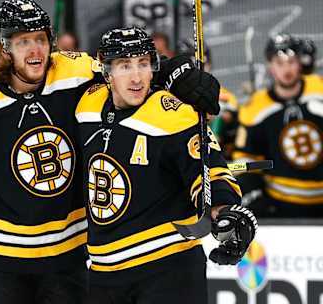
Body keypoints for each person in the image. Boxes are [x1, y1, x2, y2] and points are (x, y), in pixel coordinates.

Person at [0, 0, 220, 304]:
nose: (35, 51)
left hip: (67, 260)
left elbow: (130, 70)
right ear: (4, 49)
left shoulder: (75, 72)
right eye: (23, 42)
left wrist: (178, 73)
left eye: (40, 40)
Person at [75, 27, 257, 304]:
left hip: (167, 266)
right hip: (103, 272)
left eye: (144, 64)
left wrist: (223, 210)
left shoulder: (173, 113)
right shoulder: (86, 104)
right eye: (125, 65)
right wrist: (177, 69)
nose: (136, 77)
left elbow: (209, 170)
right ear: (107, 69)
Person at [233, 33, 323, 217]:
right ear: (270, 66)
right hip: (279, 205)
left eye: (291, 62)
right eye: (279, 63)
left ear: (300, 64)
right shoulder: (255, 107)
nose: (286, 69)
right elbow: (243, 161)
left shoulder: (319, 90)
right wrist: (252, 191)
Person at [177, 39, 239, 159]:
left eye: (204, 64)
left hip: (217, 158)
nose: (200, 71)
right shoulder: (168, 97)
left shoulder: (225, 96)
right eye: (193, 66)